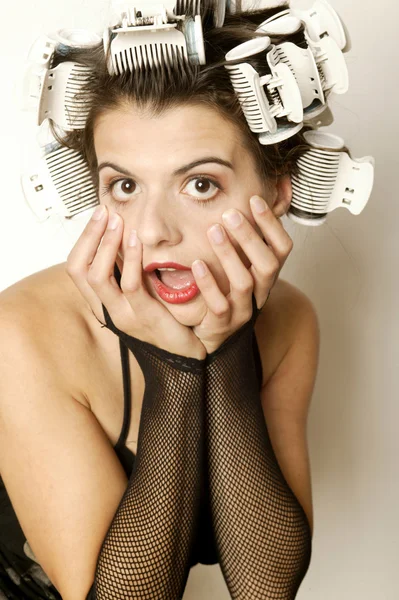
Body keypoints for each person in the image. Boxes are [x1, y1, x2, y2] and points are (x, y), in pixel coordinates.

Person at [0, 3, 321, 598]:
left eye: (200, 185)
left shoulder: (291, 320)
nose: (150, 231)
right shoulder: (20, 332)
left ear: (279, 192)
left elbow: (267, 588)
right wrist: (172, 369)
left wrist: (224, 351)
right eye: (124, 186)